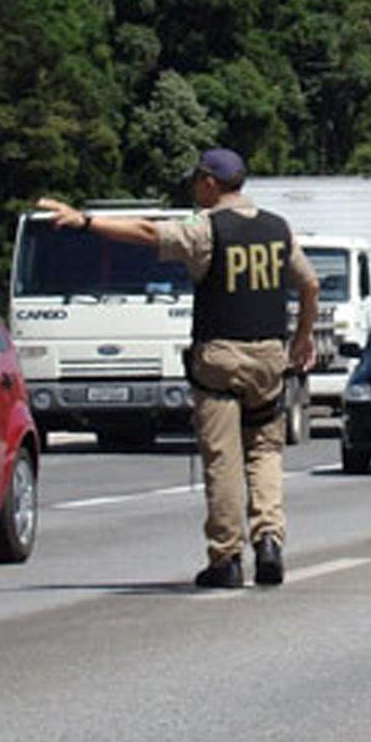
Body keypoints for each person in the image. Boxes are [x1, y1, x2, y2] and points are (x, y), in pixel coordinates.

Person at [37, 148, 320, 588]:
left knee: (224, 458)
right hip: (269, 356)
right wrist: (302, 338)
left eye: (196, 180)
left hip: (221, 359)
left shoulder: (206, 228)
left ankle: (227, 557)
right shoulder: (276, 227)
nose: (193, 187)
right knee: (265, 450)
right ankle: (269, 540)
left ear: (211, 182)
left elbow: (149, 232)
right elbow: (310, 283)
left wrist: (86, 221)